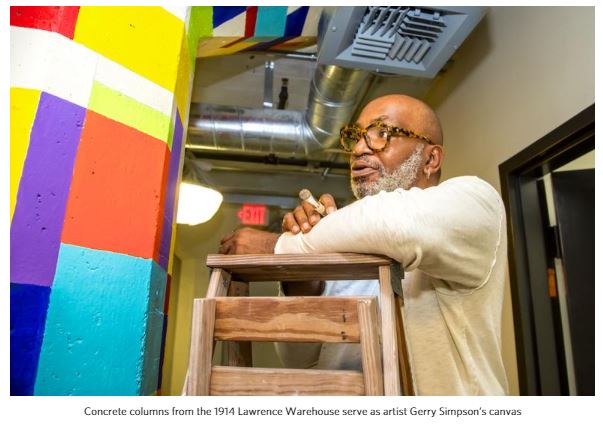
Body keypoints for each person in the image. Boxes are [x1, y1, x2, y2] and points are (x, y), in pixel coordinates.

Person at [218, 94, 509, 395]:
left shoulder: (476, 202)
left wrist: (280, 246)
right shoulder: (345, 242)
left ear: (430, 159)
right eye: (356, 136)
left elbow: (397, 224)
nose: (358, 149)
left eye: (382, 133)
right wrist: (304, 277)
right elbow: (301, 359)